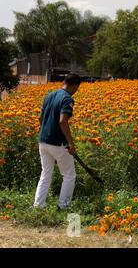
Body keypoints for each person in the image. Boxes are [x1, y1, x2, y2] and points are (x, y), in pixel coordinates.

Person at [34, 73, 81, 210]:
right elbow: (62, 121)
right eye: (77, 88)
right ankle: (63, 206)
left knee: (45, 174)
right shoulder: (67, 99)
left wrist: (45, 132)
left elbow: (40, 118)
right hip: (58, 143)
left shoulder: (49, 96)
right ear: (74, 86)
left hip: (43, 141)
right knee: (69, 175)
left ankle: (38, 206)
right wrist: (71, 143)